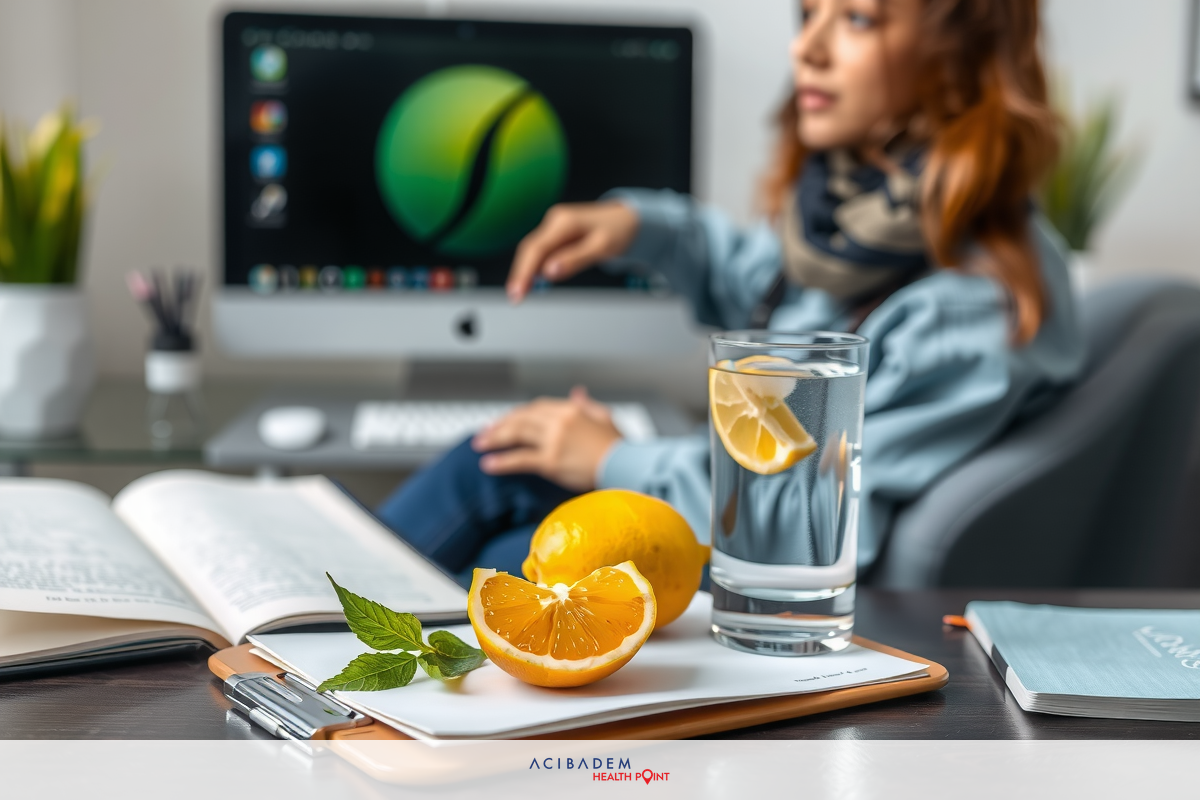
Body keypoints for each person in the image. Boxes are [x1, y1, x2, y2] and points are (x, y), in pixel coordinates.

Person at [378, 0, 1085, 584]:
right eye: (808, 14)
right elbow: (759, 278)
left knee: (496, 541)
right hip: (726, 519)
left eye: (858, 20)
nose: (806, 49)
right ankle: (303, 648)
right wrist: (637, 228)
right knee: (494, 463)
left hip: (773, 588)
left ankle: (297, 658)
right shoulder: (866, 229)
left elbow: (817, 514)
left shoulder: (966, 309)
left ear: (961, 59)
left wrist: (612, 462)